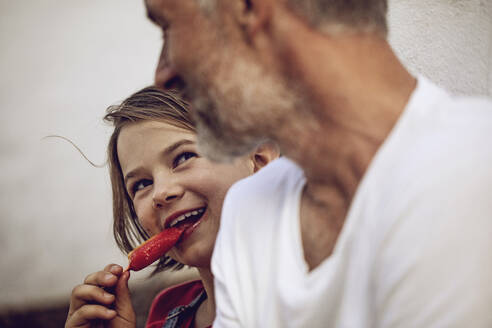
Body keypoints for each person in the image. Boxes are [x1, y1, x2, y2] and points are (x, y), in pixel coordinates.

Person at [144, 0, 492, 327]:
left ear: (246, 6)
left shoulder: (472, 165)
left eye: (166, 27)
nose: (163, 74)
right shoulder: (247, 207)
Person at [64, 86, 279, 328]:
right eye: (142, 184)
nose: (161, 192)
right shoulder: (164, 315)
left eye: (184, 157)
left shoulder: (322, 296)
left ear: (259, 160)